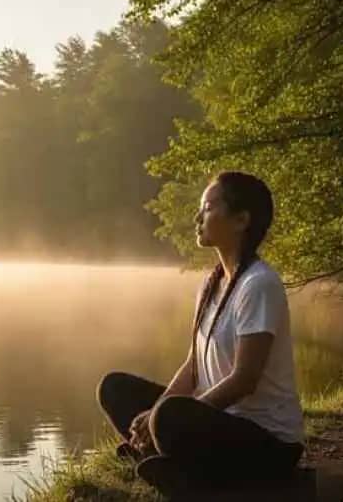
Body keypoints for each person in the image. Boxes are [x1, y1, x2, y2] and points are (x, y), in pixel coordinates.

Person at [95, 171, 305, 495]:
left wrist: (163, 416)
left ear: (240, 220)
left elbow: (244, 380)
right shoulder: (212, 284)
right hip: (218, 423)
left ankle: (179, 467)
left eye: (207, 207)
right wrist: (156, 410)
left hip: (268, 443)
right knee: (115, 388)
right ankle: (170, 460)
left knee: (170, 417)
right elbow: (194, 365)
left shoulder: (259, 284)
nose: (198, 217)